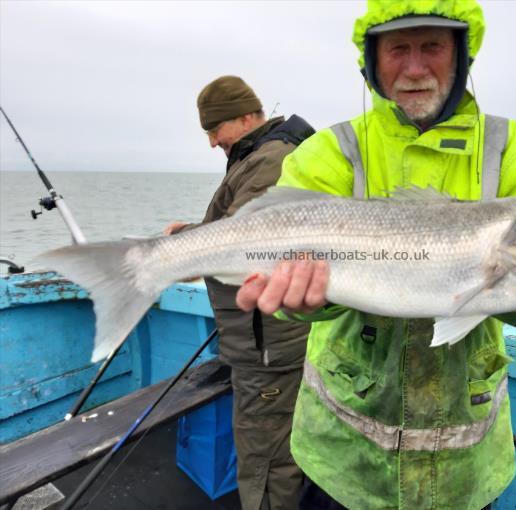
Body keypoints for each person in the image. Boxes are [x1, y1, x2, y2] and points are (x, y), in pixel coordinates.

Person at [236, 2, 516, 509]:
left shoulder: (515, 152)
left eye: (433, 47)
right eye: (398, 48)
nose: (416, 68)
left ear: (462, 55)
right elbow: (288, 287)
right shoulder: (331, 152)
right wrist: (301, 300)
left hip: (465, 471)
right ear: (371, 61)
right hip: (342, 460)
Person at [165, 76, 314, 510]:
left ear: (248, 116)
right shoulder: (261, 154)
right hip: (270, 340)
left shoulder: (273, 159)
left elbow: (246, 242)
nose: (212, 142)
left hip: (269, 347)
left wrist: (184, 237)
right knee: (282, 451)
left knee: (266, 462)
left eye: (216, 130)